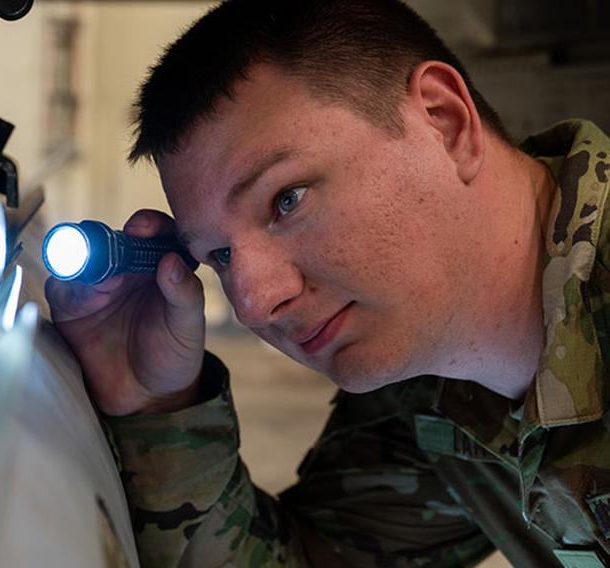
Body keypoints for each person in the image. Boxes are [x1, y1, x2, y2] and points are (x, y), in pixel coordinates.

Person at [45, 0, 610, 566]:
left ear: (445, 121)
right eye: (218, 254)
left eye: (286, 200)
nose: (254, 302)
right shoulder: (434, 395)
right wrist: (158, 404)